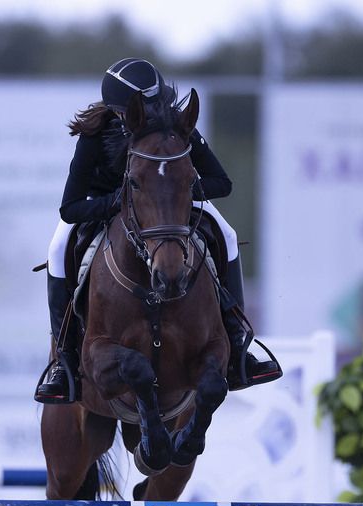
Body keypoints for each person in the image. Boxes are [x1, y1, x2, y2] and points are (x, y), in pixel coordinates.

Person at [35, 57, 281, 404]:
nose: (153, 117)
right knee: (58, 246)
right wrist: (118, 203)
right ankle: (64, 359)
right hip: (103, 206)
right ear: (123, 110)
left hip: (168, 208)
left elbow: (221, 182)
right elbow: (70, 208)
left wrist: (173, 193)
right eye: (145, 109)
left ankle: (239, 343)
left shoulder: (177, 129)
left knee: (225, 233)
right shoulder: (94, 137)